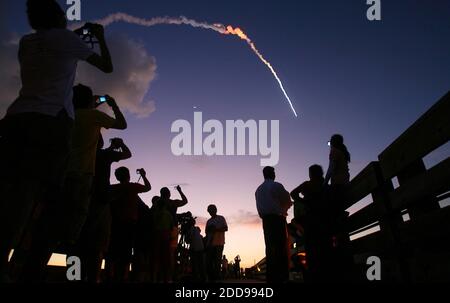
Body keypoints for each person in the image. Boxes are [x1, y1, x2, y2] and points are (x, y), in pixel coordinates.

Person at [0, 0, 113, 281]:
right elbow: (107, 66)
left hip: (15, 119)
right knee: (49, 201)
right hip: (50, 123)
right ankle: (30, 271)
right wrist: (98, 36)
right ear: (57, 17)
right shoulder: (64, 39)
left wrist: (78, 34)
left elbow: (56, 44)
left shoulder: (27, 42)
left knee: (13, 196)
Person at [19, 86, 127, 281]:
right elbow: (122, 124)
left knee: (48, 228)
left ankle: (33, 273)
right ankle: (74, 275)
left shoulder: (67, 115)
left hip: (58, 176)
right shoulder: (93, 117)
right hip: (81, 179)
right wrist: (111, 104)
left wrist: (89, 103)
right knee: (72, 235)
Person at [79, 136, 132, 283]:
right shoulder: (104, 155)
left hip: (82, 194)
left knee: (79, 240)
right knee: (98, 243)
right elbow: (128, 154)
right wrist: (121, 144)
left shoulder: (84, 150)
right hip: (100, 200)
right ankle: (93, 278)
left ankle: (76, 276)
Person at [108, 167, 151, 282]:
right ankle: (124, 276)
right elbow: (148, 187)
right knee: (126, 251)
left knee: (113, 250)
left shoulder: (113, 188)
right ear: (128, 175)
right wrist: (143, 175)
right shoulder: (133, 186)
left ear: (117, 177)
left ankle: (111, 275)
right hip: (130, 224)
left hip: (115, 223)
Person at [290, 164, 333, 282]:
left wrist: (303, 201)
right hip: (324, 222)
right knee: (325, 251)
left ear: (311, 174)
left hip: (311, 222)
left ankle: (313, 276)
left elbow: (293, 193)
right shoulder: (325, 186)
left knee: (312, 252)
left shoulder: (307, 185)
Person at [255, 166, 292, 283]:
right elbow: (288, 200)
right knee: (281, 247)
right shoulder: (276, 186)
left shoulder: (258, 190)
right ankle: (283, 277)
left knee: (270, 248)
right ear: (273, 174)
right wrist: (284, 209)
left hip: (266, 221)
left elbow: (259, 209)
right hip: (277, 219)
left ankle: (271, 277)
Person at [159, 186, 188, 279]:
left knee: (161, 252)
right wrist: (180, 190)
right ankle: (169, 276)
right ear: (169, 194)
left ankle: (161, 275)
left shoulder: (158, 203)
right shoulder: (173, 203)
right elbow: (185, 201)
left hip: (160, 229)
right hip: (172, 228)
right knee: (171, 253)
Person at [151, 196, 174, 283]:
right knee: (166, 259)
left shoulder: (154, 213)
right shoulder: (168, 214)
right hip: (165, 237)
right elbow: (171, 227)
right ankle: (166, 279)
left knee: (155, 258)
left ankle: (154, 278)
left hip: (156, 236)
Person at [205, 204, 228, 282]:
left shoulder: (221, 218)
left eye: (212, 210)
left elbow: (226, 228)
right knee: (209, 261)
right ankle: (212, 277)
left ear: (215, 210)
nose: (211, 212)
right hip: (210, 244)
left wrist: (215, 229)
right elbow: (206, 232)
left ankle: (217, 277)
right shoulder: (208, 221)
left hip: (219, 243)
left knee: (217, 261)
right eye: (209, 210)